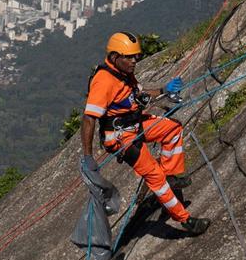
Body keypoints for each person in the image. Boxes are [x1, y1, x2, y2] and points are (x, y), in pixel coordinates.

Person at [80, 32, 210, 236]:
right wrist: (88, 157)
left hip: (135, 124)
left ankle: (170, 175)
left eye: (137, 57)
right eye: (130, 57)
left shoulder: (123, 72)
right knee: (154, 176)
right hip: (121, 138)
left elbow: (139, 94)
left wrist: (163, 89)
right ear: (115, 57)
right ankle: (185, 219)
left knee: (173, 129)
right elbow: (89, 118)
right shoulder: (104, 81)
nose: (134, 61)